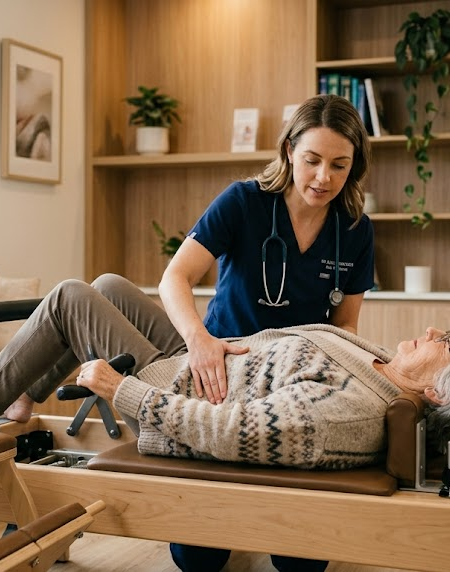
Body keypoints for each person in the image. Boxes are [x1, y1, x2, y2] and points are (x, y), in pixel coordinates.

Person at [0, 278, 450, 567]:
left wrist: (121, 391)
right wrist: (211, 346)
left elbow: (233, 433)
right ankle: (18, 397)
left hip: (174, 387)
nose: (431, 332)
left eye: (445, 343)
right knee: (107, 287)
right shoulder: (382, 368)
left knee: (72, 298)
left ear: (437, 392)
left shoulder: (353, 412)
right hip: (211, 360)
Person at [157, 93, 373, 570]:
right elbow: (174, 278)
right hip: (224, 373)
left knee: (303, 564)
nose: (324, 178)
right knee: (197, 559)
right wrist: (199, 341)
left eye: (340, 165)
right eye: (313, 160)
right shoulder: (244, 203)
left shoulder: (355, 230)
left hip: (292, 385)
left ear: (354, 167)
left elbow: (346, 329)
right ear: (289, 151)